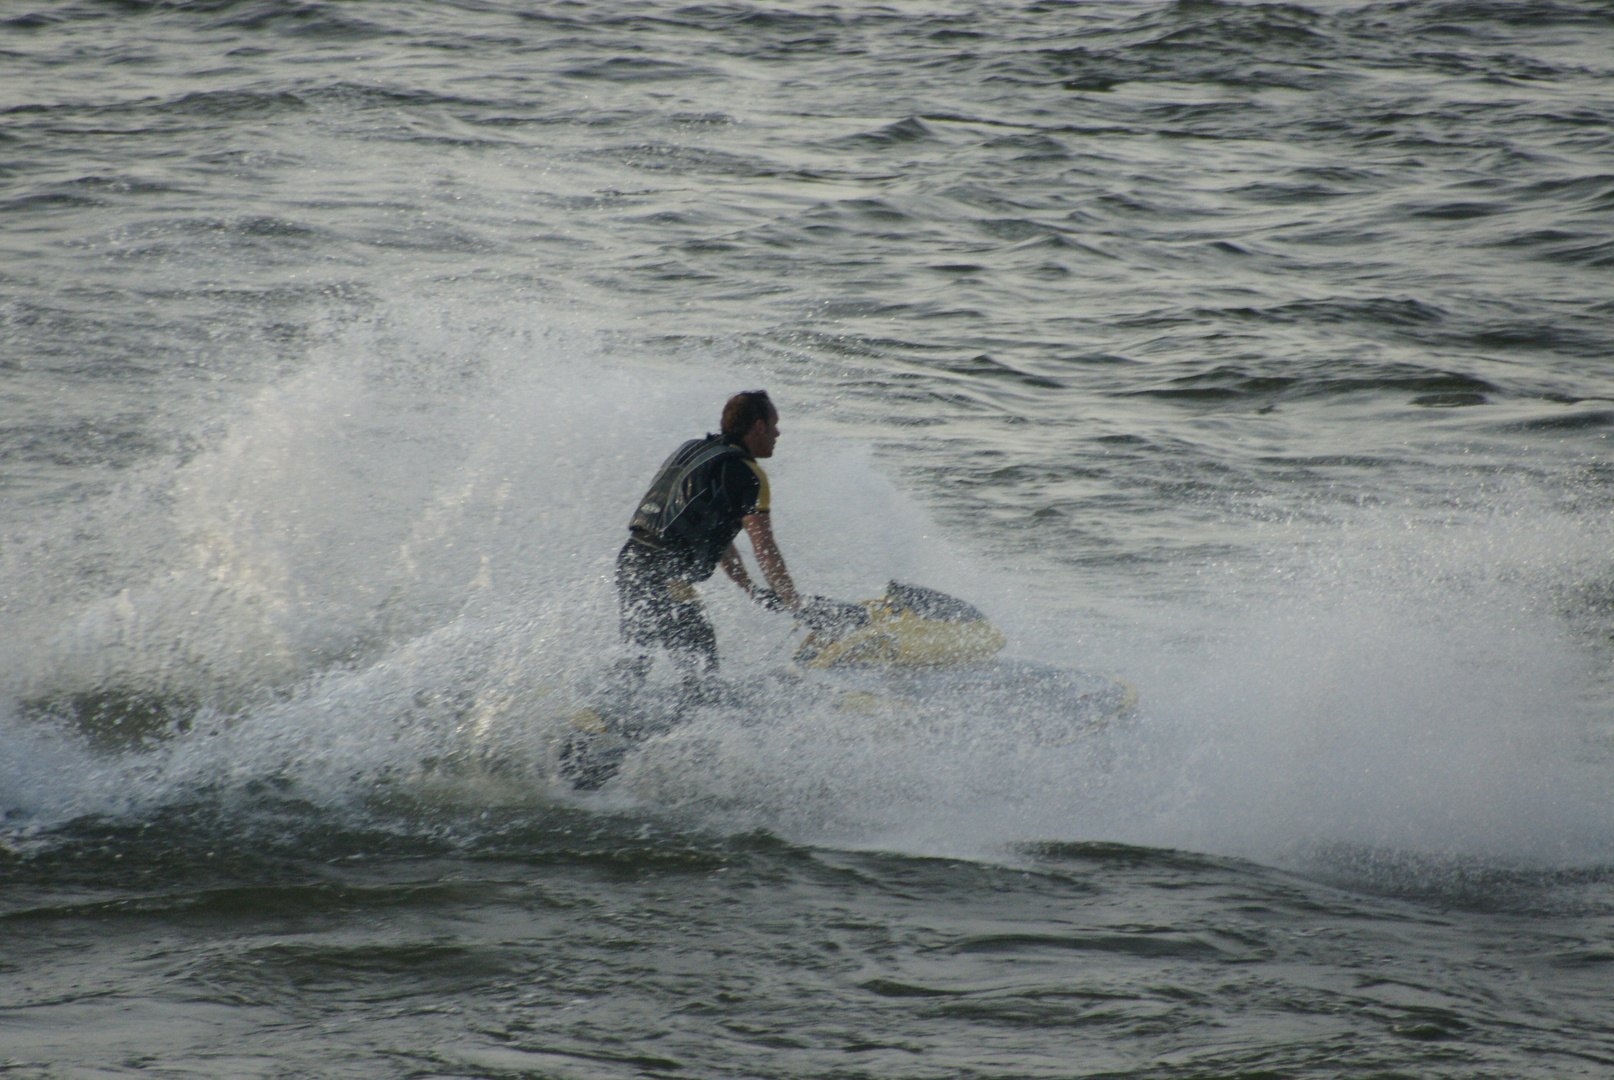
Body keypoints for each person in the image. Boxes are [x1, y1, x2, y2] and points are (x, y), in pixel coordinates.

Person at [615, 390, 800, 680]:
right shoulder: (748, 473)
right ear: (759, 426)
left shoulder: (692, 450)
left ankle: (605, 713)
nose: (778, 433)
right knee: (703, 675)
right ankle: (694, 717)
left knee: (636, 659)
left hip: (631, 563)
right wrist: (796, 605)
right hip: (666, 576)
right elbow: (764, 547)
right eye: (774, 425)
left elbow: (709, 535)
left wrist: (750, 588)